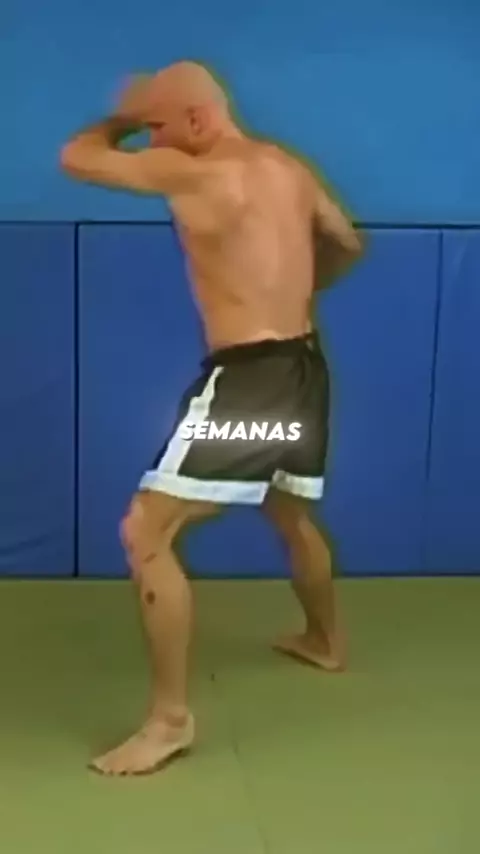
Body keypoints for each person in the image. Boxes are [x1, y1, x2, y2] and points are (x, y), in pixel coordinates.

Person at [60, 61, 363, 776]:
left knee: (146, 531)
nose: (151, 140)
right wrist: (290, 289)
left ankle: (169, 721)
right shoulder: (287, 168)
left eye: (158, 126)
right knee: (289, 510)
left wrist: (122, 119)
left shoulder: (190, 170)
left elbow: (77, 157)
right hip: (305, 369)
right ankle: (325, 641)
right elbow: (346, 243)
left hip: (251, 384)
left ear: (195, 119)